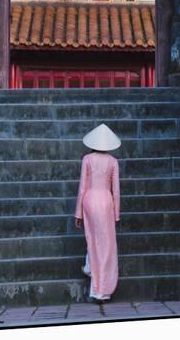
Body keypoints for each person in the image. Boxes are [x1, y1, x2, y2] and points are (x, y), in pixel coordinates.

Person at [74, 123, 121, 303]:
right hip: (106, 201)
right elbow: (116, 190)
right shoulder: (113, 162)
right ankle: (101, 290)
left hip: (89, 199)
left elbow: (81, 188)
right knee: (106, 244)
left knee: (93, 238)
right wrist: (117, 213)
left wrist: (78, 212)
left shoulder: (87, 159)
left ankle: (90, 267)